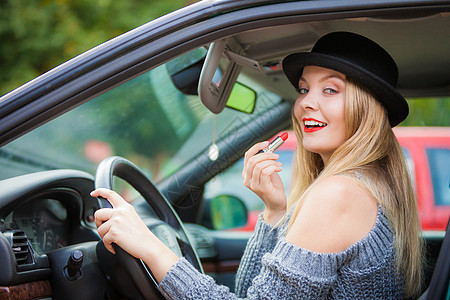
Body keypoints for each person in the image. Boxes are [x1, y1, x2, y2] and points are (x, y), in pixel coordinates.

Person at [92, 31, 423, 299]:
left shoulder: (338, 194)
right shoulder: (370, 185)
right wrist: (275, 212)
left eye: (331, 89)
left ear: (365, 110)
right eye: (305, 89)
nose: (307, 102)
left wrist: (151, 247)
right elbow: (252, 292)